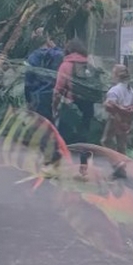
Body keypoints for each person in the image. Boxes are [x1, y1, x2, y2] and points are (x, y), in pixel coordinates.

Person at [52, 38, 96, 172]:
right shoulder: (90, 64)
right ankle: (83, 166)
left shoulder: (66, 65)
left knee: (61, 135)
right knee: (83, 136)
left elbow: (58, 89)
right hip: (88, 105)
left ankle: (55, 165)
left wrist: (54, 106)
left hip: (71, 105)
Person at [23, 29, 64, 122]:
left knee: (39, 124)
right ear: (48, 41)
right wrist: (55, 47)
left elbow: (28, 81)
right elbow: (63, 54)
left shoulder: (32, 57)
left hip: (37, 96)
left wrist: (28, 99)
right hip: (54, 95)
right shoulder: (56, 55)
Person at [101, 64, 133, 155]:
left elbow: (111, 105)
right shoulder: (130, 90)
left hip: (115, 118)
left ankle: (114, 159)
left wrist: (116, 109)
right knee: (122, 143)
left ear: (116, 76)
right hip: (126, 119)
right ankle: (122, 159)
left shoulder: (114, 90)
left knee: (106, 140)